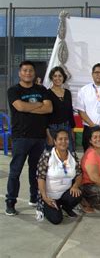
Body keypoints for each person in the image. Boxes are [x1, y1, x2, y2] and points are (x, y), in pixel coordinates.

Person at [5, 60, 53, 216]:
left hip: (39, 138)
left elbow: (49, 108)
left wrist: (28, 107)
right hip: (21, 137)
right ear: (20, 73)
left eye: (30, 70)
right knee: (15, 172)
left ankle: (34, 197)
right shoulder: (13, 90)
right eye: (25, 70)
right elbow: (19, 107)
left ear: (34, 73)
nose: (28, 73)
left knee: (36, 171)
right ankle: (11, 202)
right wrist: (38, 105)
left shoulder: (42, 89)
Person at [37, 130, 82, 224]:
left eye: (66, 139)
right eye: (60, 139)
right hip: (50, 196)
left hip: (65, 194)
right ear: (55, 141)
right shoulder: (47, 155)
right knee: (57, 220)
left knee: (78, 194)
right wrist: (44, 197)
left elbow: (79, 174)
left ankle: (66, 207)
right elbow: (41, 177)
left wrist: (75, 186)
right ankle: (47, 206)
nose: (63, 141)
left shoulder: (72, 155)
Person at [45, 66, 75, 152]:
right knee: (52, 157)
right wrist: (48, 135)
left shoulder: (67, 93)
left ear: (63, 78)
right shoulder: (47, 93)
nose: (57, 78)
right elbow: (45, 116)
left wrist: (72, 131)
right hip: (52, 129)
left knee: (70, 154)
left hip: (67, 127)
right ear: (51, 78)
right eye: (55, 76)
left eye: (60, 76)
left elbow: (70, 112)